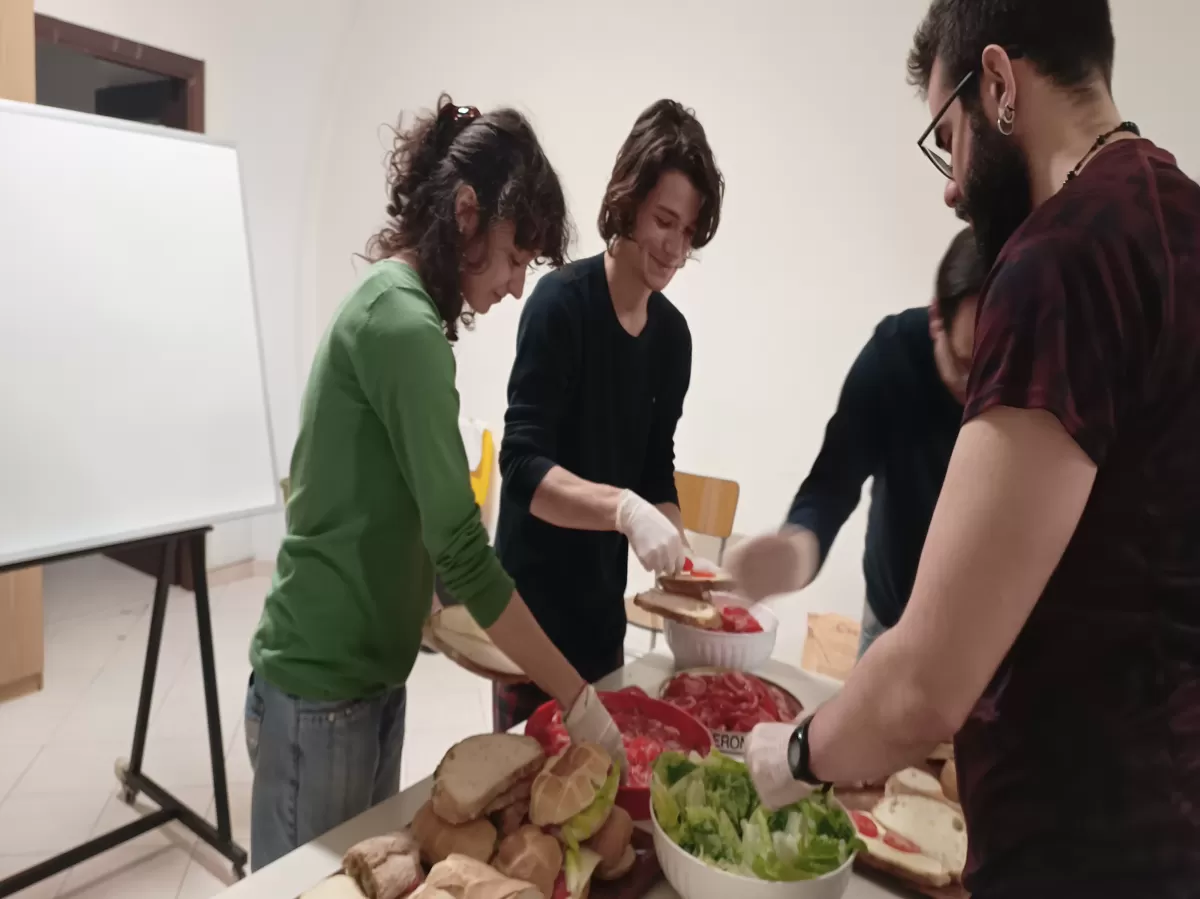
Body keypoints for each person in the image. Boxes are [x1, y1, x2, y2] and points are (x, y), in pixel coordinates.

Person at [746, 2, 1200, 896]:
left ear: (997, 84)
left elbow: (926, 685)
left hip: (1075, 846)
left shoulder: (1059, 259)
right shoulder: (1178, 225)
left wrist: (792, 751)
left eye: (946, 136)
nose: (951, 186)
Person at [245, 96, 624, 871]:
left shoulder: (400, 308)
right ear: (465, 214)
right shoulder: (402, 326)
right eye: (517, 255)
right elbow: (461, 550)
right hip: (324, 690)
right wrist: (578, 698)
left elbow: (405, 514)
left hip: (363, 679)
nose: (518, 285)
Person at [492, 100, 724, 732]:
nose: (674, 247)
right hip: (530, 617)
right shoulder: (560, 306)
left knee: (595, 789)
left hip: (601, 617)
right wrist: (625, 511)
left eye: (689, 232)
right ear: (626, 203)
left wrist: (680, 553)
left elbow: (656, 465)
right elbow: (523, 469)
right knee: (527, 795)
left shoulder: (672, 338)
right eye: (663, 221)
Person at [729, 228, 985, 657]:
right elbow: (831, 486)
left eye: (995, 373)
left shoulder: (1038, 387)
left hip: (988, 643)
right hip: (890, 620)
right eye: (965, 366)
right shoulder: (895, 353)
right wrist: (796, 552)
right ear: (937, 317)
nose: (980, 393)